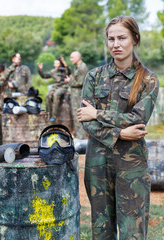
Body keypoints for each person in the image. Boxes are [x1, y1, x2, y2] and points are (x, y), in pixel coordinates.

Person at [77, 16, 159, 240]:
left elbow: (138, 118)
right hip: (98, 166)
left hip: (131, 166)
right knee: (101, 231)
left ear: (135, 39)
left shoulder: (148, 80)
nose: (116, 44)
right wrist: (121, 133)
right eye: (111, 38)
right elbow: (86, 120)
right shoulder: (94, 77)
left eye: (122, 38)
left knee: (133, 232)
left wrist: (98, 114)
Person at [37, 56, 71, 122]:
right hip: (55, 86)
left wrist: (65, 63)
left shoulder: (64, 70)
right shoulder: (53, 71)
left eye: (57, 63)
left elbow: (69, 72)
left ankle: (54, 115)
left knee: (56, 95)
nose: (55, 64)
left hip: (63, 86)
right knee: (48, 95)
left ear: (60, 64)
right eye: (54, 63)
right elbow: (44, 76)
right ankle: (48, 113)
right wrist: (40, 70)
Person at [65, 51, 88, 139]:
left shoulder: (82, 67)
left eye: (72, 57)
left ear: (78, 57)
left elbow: (80, 82)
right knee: (75, 116)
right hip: (75, 95)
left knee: (78, 115)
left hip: (78, 95)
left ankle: (81, 137)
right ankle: (78, 135)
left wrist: (69, 81)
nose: (71, 59)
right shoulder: (77, 67)